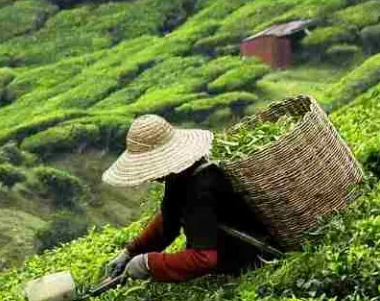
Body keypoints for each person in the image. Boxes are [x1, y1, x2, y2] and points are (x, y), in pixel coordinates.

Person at [98, 113, 274, 284]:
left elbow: (204, 259)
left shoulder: (201, 187)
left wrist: (148, 264)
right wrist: (130, 252)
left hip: (249, 255)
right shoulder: (180, 174)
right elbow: (168, 221)